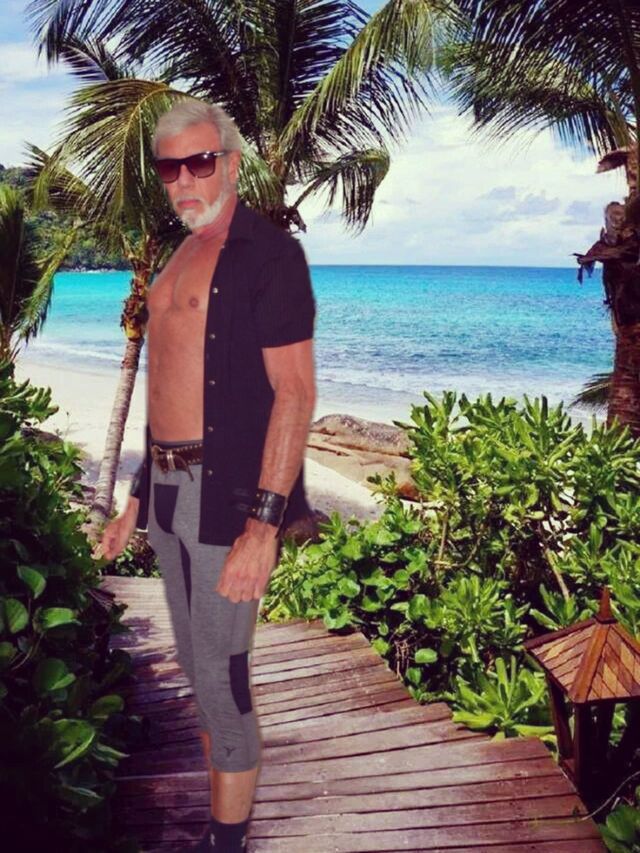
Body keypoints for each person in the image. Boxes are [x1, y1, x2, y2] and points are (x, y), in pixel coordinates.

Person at [96, 98, 317, 852]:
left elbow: (294, 392)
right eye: (170, 168)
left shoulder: (268, 254)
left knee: (224, 679)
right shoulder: (178, 255)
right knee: (197, 669)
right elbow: (168, 391)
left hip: (224, 497)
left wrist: (264, 524)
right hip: (165, 493)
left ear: (230, 162)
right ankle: (220, 820)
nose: (185, 180)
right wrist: (135, 499)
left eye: (199, 161)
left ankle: (227, 844)